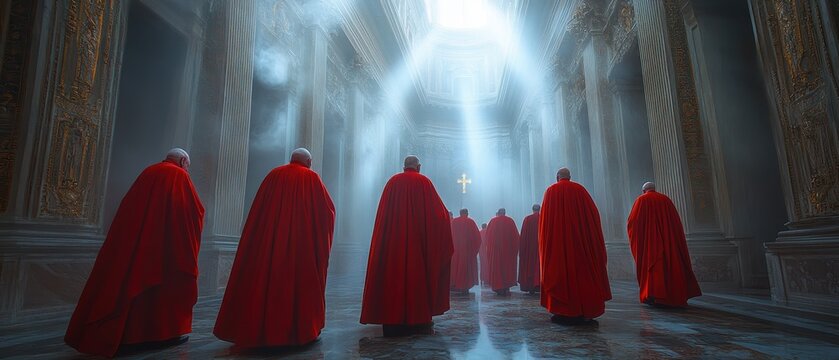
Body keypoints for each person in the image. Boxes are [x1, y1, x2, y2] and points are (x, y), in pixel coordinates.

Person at [65, 148, 204, 357]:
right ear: (184, 161)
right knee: (160, 291)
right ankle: (158, 335)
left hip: (136, 243)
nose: (188, 170)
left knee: (129, 286)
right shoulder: (179, 175)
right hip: (164, 247)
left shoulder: (148, 172)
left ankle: (126, 336)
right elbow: (190, 212)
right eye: (188, 166)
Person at [214, 148, 335, 348]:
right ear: (309, 161)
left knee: (262, 284)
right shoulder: (312, 178)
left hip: (268, 246)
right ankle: (297, 331)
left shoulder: (273, 175)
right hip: (299, 248)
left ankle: (257, 330)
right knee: (295, 287)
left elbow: (258, 212)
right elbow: (326, 213)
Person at [360, 155, 453, 337]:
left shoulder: (392, 183)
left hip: (393, 246)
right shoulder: (425, 183)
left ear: (404, 166)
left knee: (392, 277)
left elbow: (383, 218)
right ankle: (417, 318)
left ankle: (392, 318)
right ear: (418, 166)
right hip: (418, 248)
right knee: (417, 278)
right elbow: (439, 216)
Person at [539, 167, 611, 324]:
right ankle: (584, 309)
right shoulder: (581, 190)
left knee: (561, 275)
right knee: (582, 276)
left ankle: (563, 310)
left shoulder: (551, 192)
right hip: (580, 244)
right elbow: (593, 218)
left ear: (557, 177)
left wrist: (546, 247)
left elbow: (545, 226)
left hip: (558, 246)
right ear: (569, 177)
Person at [628, 182, 701, 307]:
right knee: (670, 266)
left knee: (654, 269)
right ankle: (672, 295)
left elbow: (633, 223)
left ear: (643, 190)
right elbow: (675, 223)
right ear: (654, 189)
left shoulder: (641, 200)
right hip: (668, 241)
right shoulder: (666, 199)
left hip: (650, 243)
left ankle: (654, 295)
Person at [485, 208, 519, 296]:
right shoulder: (510, 221)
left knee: (497, 268)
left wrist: (489, 249)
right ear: (504, 213)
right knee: (507, 269)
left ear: (498, 213)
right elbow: (516, 237)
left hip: (496, 250)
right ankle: (506, 286)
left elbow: (487, 237)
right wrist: (515, 250)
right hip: (508, 250)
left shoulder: (493, 221)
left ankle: (498, 286)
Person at [450, 208, 482, 294]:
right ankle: (465, 286)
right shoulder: (470, 222)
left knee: (456, 268)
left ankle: (456, 284)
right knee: (466, 269)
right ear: (467, 213)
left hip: (456, 250)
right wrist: (474, 250)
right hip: (467, 250)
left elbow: (450, 236)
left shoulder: (454, 222)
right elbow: (478, 238)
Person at [519, 204, 541, 294]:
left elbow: (523, 236)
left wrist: (522, 249)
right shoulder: (544, 217)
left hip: (529, 248)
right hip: (541, 247)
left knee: (530, 266)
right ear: (539, 209)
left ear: (532, 209)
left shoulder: (527, 219)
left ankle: (531, 286)